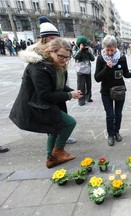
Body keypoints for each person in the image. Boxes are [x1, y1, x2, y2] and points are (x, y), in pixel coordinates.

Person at [9, 38, 83, 168]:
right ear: (51, 51)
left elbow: (58, 85)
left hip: (46, 103)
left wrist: (71, 91)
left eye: (67, 58)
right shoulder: (39, 67)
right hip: (36, 105)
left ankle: (51, 158)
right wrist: (69, 95)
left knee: (54, 128)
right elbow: (45, 94)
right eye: (61, 56)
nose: (64, 60)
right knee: (69, 122)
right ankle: (57, 152)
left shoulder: (57, 64)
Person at [20, 16, 77, 145]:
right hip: (43, 100)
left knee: (61, 121)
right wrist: (68, 94)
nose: (54, 41)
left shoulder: (59, 57)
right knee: (58, 124)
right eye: (51, 38)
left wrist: (69, 91)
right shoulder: (37, 60)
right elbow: (43, 92)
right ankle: (54, 153)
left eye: (56, 38)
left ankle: (57, 147)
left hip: (56, 93)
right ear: (44, 39)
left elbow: (60, 81)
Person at [94, 35, 131, 146]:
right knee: (110, 115)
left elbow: (125, 73)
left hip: (119, 90)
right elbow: (97, 78)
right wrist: (106, 68)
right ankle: (110, 134)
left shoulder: (122, 58)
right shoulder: (100, 59)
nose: (109, 53)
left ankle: (117, 132)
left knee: (118, 114)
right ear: (104, 48)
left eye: (112, 50)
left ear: (116, 47)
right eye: (107, 50)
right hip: (106, 91)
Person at [73, 36, 95, 106]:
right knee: (81, 85)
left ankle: (88, 97)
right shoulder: (75, 48)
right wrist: (80, 49)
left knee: (89, 84)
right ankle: (81, 100)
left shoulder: (88, 48)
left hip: (87, 68)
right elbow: (75, 57)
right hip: (80, 69)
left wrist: (88, 52)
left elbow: (93, 59)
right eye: (83, 44)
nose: (84, 45)